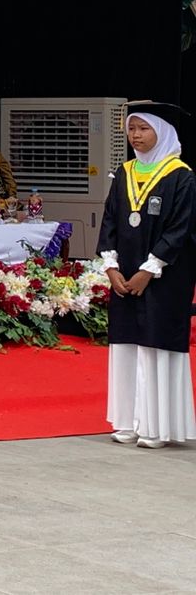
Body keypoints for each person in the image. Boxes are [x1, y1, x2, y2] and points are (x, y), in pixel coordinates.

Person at [99, 101, 196, 448]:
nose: (135, 136)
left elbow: (180, 229)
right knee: (126, 343)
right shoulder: (124, 172)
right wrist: (111, 265)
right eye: (131, 129)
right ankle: (127, 421)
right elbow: (110, 220)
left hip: (165, 276)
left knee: (157, 342)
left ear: (163, 132)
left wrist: (149, 269)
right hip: (124, 274)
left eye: (143, 129)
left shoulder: (180, 176)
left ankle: (157, 426)